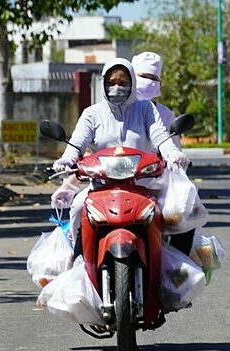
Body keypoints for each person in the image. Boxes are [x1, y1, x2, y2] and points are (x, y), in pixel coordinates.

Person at [50, 57, 189, 257]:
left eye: (123, 83)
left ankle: (172, 269)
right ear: (103, 84)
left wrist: (172, 152)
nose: (117, 87)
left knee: (177, 211)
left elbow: (160, 135)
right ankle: (80, 263)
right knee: (79, 208)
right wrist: (66, 160)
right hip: (101, 189)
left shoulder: (146, 109)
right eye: (112, 83)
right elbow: (77, 144)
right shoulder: (92, 114)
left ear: (132, 83)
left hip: (145, 186)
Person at [132, 51, 197, 255]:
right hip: (114, 180)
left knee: (184, 214)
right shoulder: (113, 109)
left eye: (153, 78)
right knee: (81, 210)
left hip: (154, 182)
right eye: (143, 76)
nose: (148, 82)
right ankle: (80, 264)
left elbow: (174, 148)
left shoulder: (165, 114)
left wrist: (177, 160)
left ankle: (177, 270)